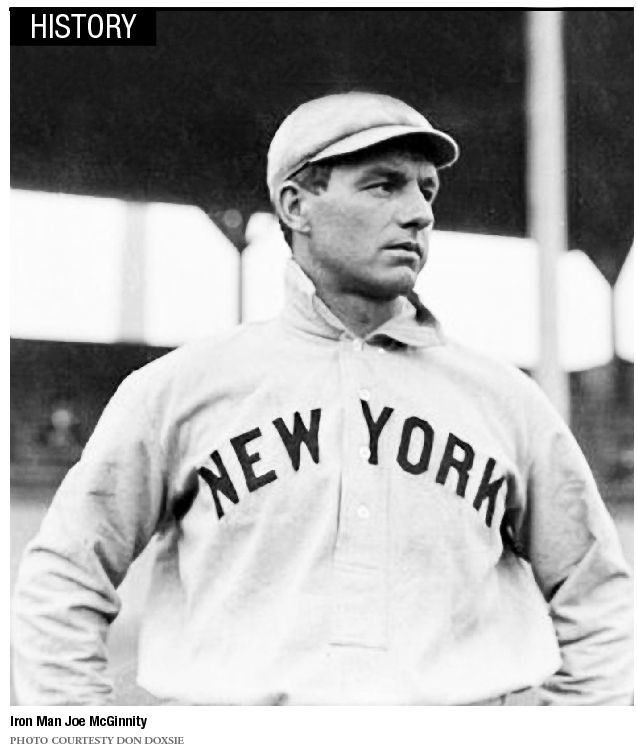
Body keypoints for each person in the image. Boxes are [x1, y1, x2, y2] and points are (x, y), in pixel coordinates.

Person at [12, 92, 633, 706]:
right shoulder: (180, 389)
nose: (419, 214)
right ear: (296, 205)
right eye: (384, 186)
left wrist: (574, 733)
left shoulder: (506, 401)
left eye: (427, 191)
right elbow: (64, 578)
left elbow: (598, 593)